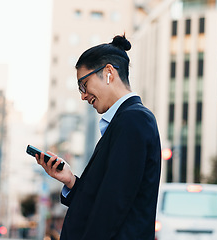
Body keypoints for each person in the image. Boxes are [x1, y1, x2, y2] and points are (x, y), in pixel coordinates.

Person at [34, 34, 161, 240]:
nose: (83, 95)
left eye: (84, 84)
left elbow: (113, 206)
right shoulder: (125, 120)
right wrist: (70, 181)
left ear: (108, 72)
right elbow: (105, 197)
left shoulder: (133, 120)